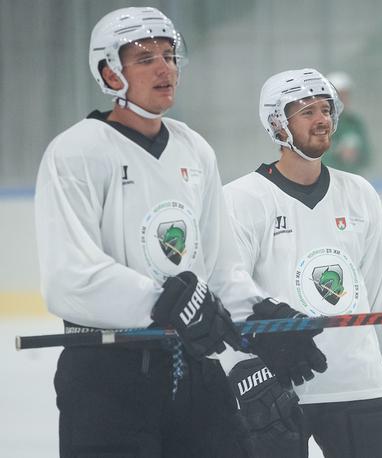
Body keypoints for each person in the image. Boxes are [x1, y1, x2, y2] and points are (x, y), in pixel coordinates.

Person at [34, 8, 326, 458]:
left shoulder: (194, 148)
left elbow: (219, 270)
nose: (164, 67)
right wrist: (165, 302)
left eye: (169, 55)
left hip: (194, 368)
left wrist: (261, 318)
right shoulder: (75, 152)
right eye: (145, 57)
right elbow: (69, 278)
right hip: (105, 377)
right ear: (110, 72)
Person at [222, 68, 382, 457]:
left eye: (326, 109)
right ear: (276, 124)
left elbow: (381, 291)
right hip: (277, 388)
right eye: (307, 111)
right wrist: (242, 370)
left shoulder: (360, 194)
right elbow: (226, 291)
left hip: (361, 385)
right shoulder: (240, 199)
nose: (322, 119)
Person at [320, 71, 372, 174]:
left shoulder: (355, 123)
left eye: (346, 94)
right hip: (328, 180)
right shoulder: (320, 123)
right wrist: (338, 153)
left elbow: (368, 155)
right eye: (338, 94)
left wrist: (357, 154)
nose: (343, 98)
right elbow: (314, 158)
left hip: (353, 180)